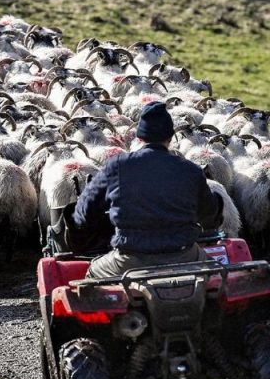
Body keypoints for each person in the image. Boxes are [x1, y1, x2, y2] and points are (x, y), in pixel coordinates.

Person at [73, 101, 222, 279]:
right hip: (185, 256)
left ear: (139, 137)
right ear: (171, 137)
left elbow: (83, 215)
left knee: (92, 273)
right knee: (217, 274)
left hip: (130, 260)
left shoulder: (117, 166)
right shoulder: (191, 169)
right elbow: (210, 217)